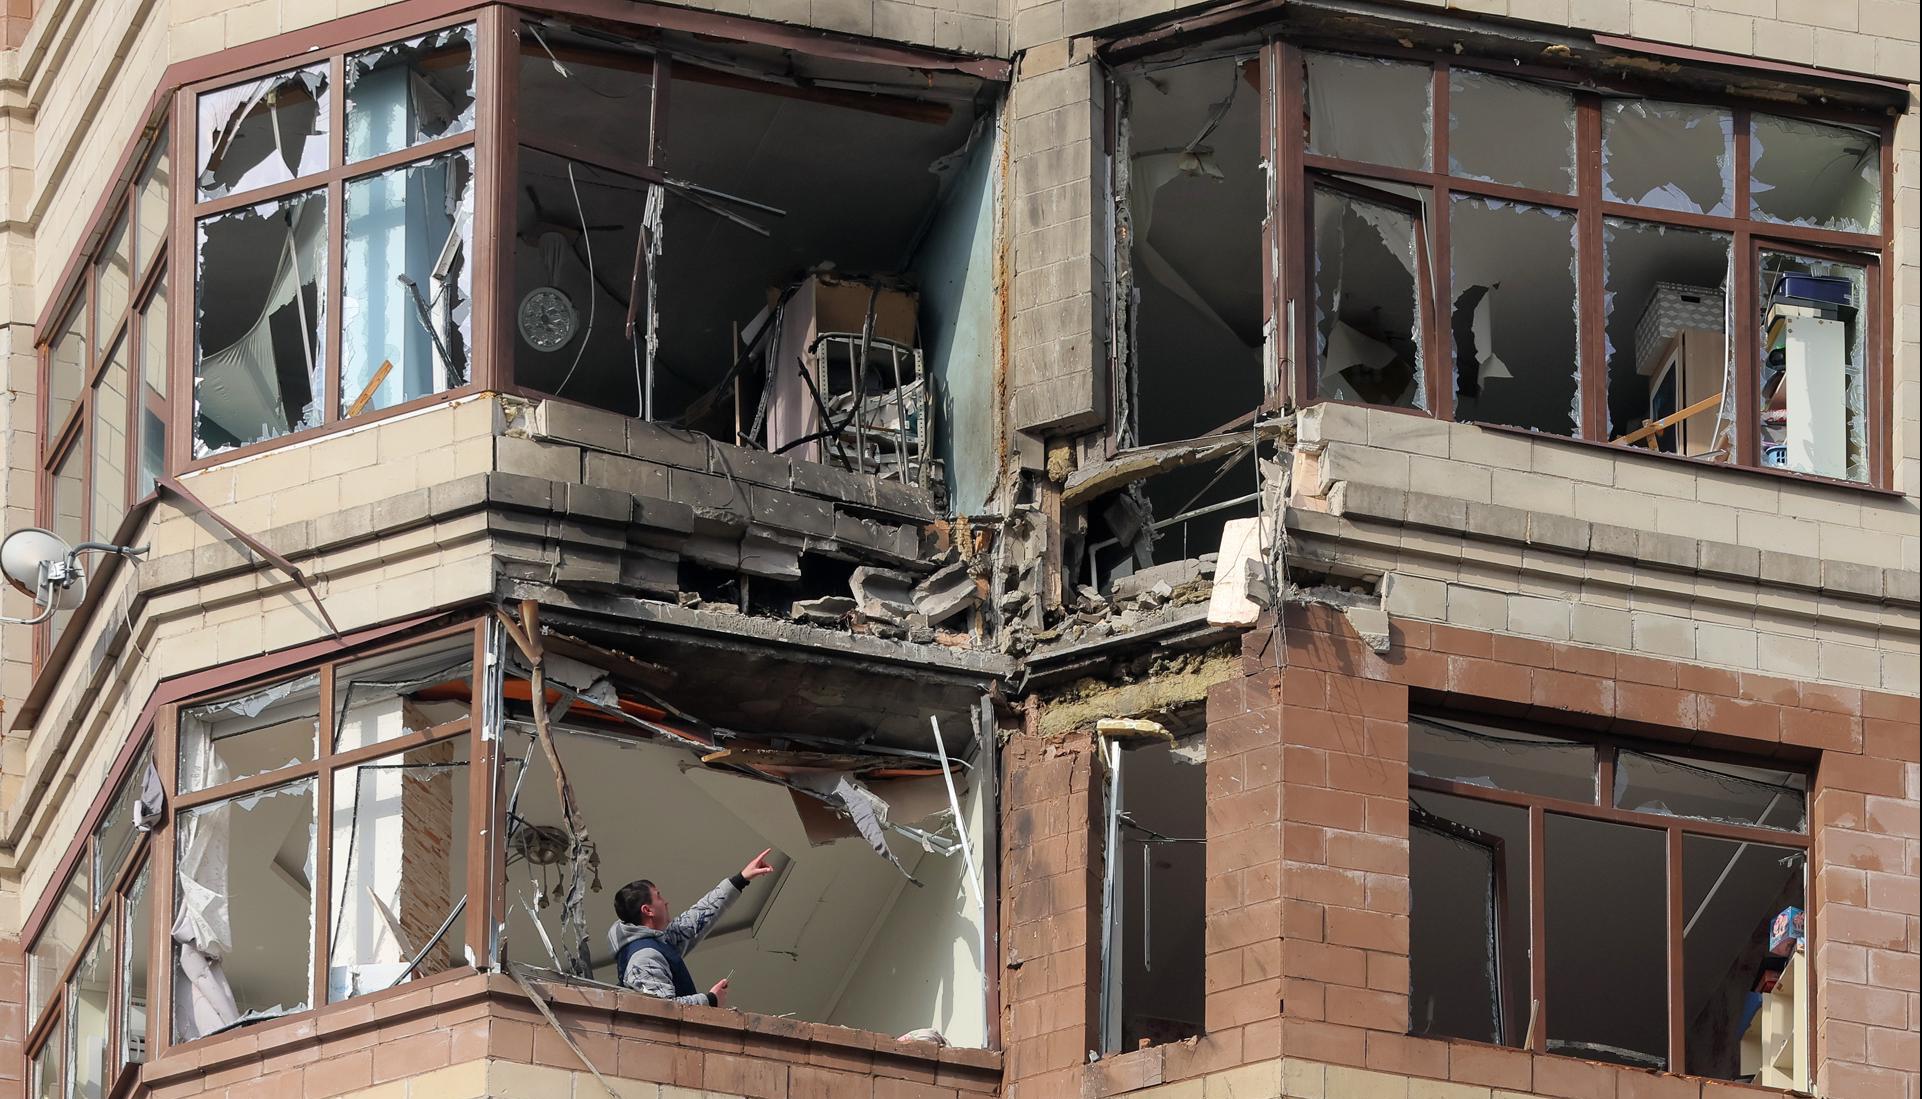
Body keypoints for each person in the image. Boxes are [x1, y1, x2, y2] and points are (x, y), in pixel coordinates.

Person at [608, 849, 776, 1007]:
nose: (666, 902)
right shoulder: (644, 958)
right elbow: (662, 1009)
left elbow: (696, 919)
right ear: (648, 910)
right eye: (658, 896)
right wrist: (710, 999)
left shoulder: (658, 940)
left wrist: (741, 878)